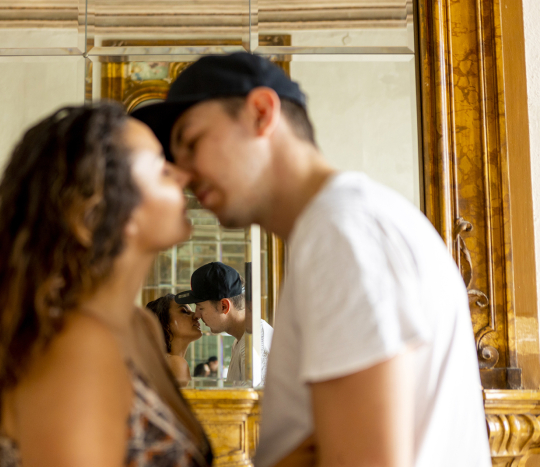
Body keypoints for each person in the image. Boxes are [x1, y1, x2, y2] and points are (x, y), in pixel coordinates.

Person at [133, 52, 491, 466]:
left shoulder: (342, 233)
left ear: (261, 113)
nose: (186, 173)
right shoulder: (344, 227)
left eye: (192, 143)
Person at [0, 104, 213, 467]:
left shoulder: (139, 327)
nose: (183, 175)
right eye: (161, 167)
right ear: (92, 212)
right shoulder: (78, 345)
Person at [175, 262, 273, 385]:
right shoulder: (242, 341)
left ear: (224, 306)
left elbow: (256, 403)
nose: (197, 315)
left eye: (200, 308)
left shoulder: (254, 347)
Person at [146, 293, 203, 386]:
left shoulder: (160, 361)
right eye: (184, 311)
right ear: (164, 322)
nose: (196, 316)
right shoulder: (175, 363)